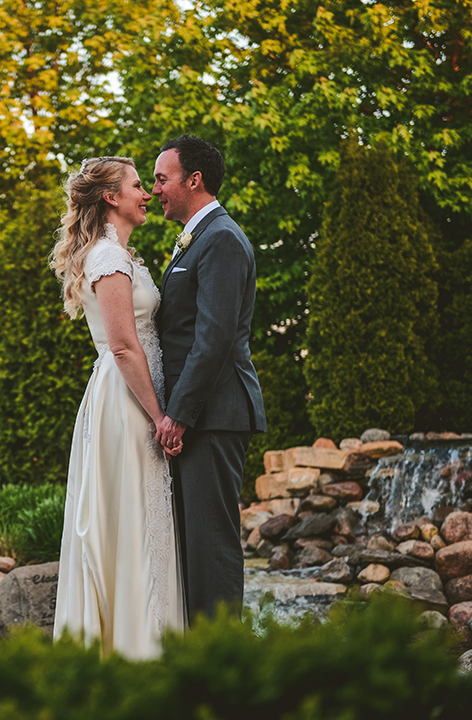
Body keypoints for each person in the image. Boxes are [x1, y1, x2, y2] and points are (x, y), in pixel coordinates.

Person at [51, 156, 186, 660]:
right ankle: (136, 651)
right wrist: (160, 416)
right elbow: (125, 346)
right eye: (137, 185)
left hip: (136, 393)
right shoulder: (108, 257)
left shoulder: (120, 255)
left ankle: (148, 640)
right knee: (132, 517)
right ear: (111, 197)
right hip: (128, 399)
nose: (147, 193)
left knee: (144, 515)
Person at [152, 135, 267, 623]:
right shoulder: (199, 238)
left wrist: (179, 413)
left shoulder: (221, 238)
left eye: (161, 179)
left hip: (212, 414)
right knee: (192, 543)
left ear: (193, 180)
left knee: (211, 543)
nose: (155, 189)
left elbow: (214, 338)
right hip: (201, 414)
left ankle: (221, 665)